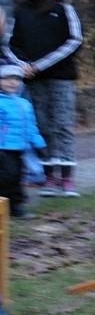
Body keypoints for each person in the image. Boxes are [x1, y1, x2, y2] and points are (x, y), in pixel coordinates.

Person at [4, 0, 82, 198]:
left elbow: (74, 41)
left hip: (60, 78)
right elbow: (9, 43)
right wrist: (22, 66)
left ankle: (67, 179)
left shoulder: (63, 9)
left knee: (62, 125)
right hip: (31, 78)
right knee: (43, 126)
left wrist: (40, 65)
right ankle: (49, 176)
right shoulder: (20, 11)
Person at [0, 64, 45, 217]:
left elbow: (31, 125)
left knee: (18, 177)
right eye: (7, 78)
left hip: (20, 148)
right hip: (3, 148)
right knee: (7, 177)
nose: (12, 82)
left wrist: (38, 142)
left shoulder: (24, 104)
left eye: (16, 79)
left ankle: (16, 207)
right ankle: (5, 206)